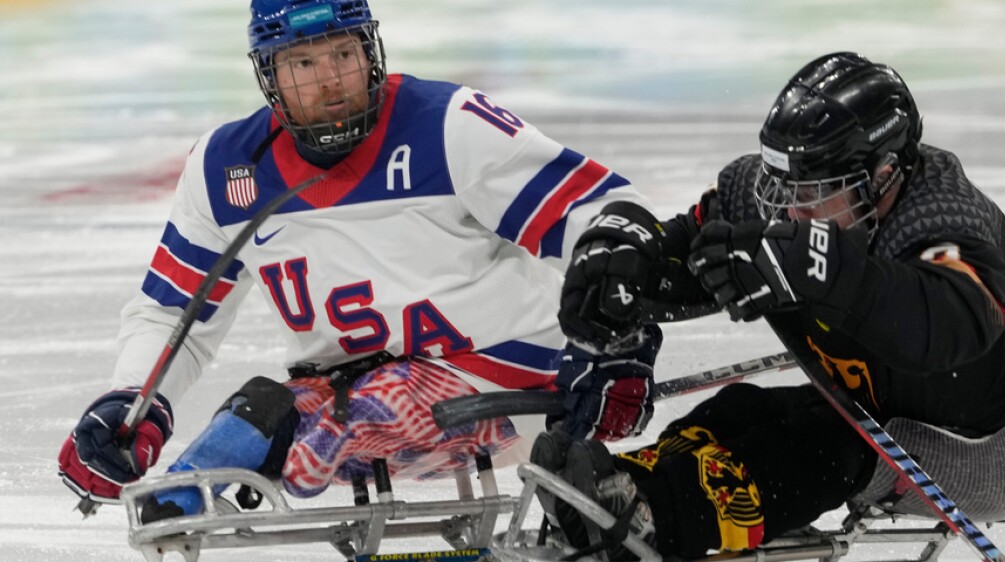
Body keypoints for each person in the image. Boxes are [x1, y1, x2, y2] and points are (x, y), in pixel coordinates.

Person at [56, 0, 660, 520]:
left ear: (370, 50)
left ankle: (194, 497)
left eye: (344, 54)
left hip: (506, 372)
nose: (331, 81)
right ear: (269, 75)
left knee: (325, 432)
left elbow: (600, 211)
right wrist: (133, 405)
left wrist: (614, 338)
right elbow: (170, 315)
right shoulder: (223, 170)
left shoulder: (447, 127)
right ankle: (177, 497)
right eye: (303, 64)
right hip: (355, 385)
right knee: (257, 418)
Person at [533, 51, 1005, 562]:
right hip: (876, 398)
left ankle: (654, 516)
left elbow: (947, 327)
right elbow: (699, 254)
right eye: (784, 189)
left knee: (819, 449)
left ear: (884, 175)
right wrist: (627, 268)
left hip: (1000, 443)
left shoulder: (944, 218)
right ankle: (624, 487)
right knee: (742, 409)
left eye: (816, 196)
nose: (793, 213)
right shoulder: (790, 198)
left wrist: (821, 268)